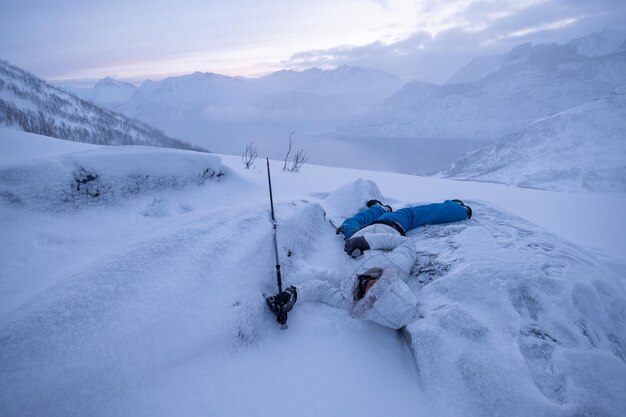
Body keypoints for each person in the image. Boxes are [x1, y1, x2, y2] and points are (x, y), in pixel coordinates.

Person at [266, 199, 472, 329]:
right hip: (389, 226)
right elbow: (405, 243)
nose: (371, 284)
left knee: (348, 224)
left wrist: (294, 294)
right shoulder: (398, 266)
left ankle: (379, 207)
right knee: (414, 213)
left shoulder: (351, 300)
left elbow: (321, 291)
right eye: (381, 286)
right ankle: (457, 209)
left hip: (353, 237)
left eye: (372, 295)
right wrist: (368, 242)